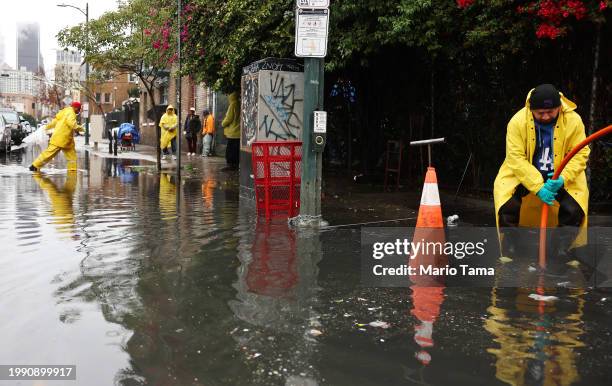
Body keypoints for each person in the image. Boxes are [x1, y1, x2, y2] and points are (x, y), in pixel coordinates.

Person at [494, 84, 590, 258]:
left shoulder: (574, 120)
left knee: (574, 207)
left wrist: (563, 178)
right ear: (531, 109)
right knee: (507, 203)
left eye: (551, 112)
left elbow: (581, 153)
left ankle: (563, 249)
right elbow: (515, 158)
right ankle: (510, 249)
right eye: (540, 113)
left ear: (560, 107)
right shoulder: (517, 121)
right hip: (524, 174)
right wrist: (538, 186)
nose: (545, 116)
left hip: (561, 176)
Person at [29, 102, 84, 172]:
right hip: (62, 138)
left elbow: (54, 122)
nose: (79, 111)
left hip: (64, 139)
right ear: (75, 107)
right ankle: (34, 166)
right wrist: (81, 128)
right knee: (50, 154)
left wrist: (47, 127)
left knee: (69, 156)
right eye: (79, 109)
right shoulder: (71, 113)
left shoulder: (64, 112)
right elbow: (72, 124)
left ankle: (72, 170)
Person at [222, 92, 240, 170]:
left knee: (230, 150)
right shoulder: (240, 103)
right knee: (236, 150)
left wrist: (223, 123)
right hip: (239, 132)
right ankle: (235, 165)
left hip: (233, 132)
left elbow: (229, 118)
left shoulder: (233, 105)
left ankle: (231, 166)